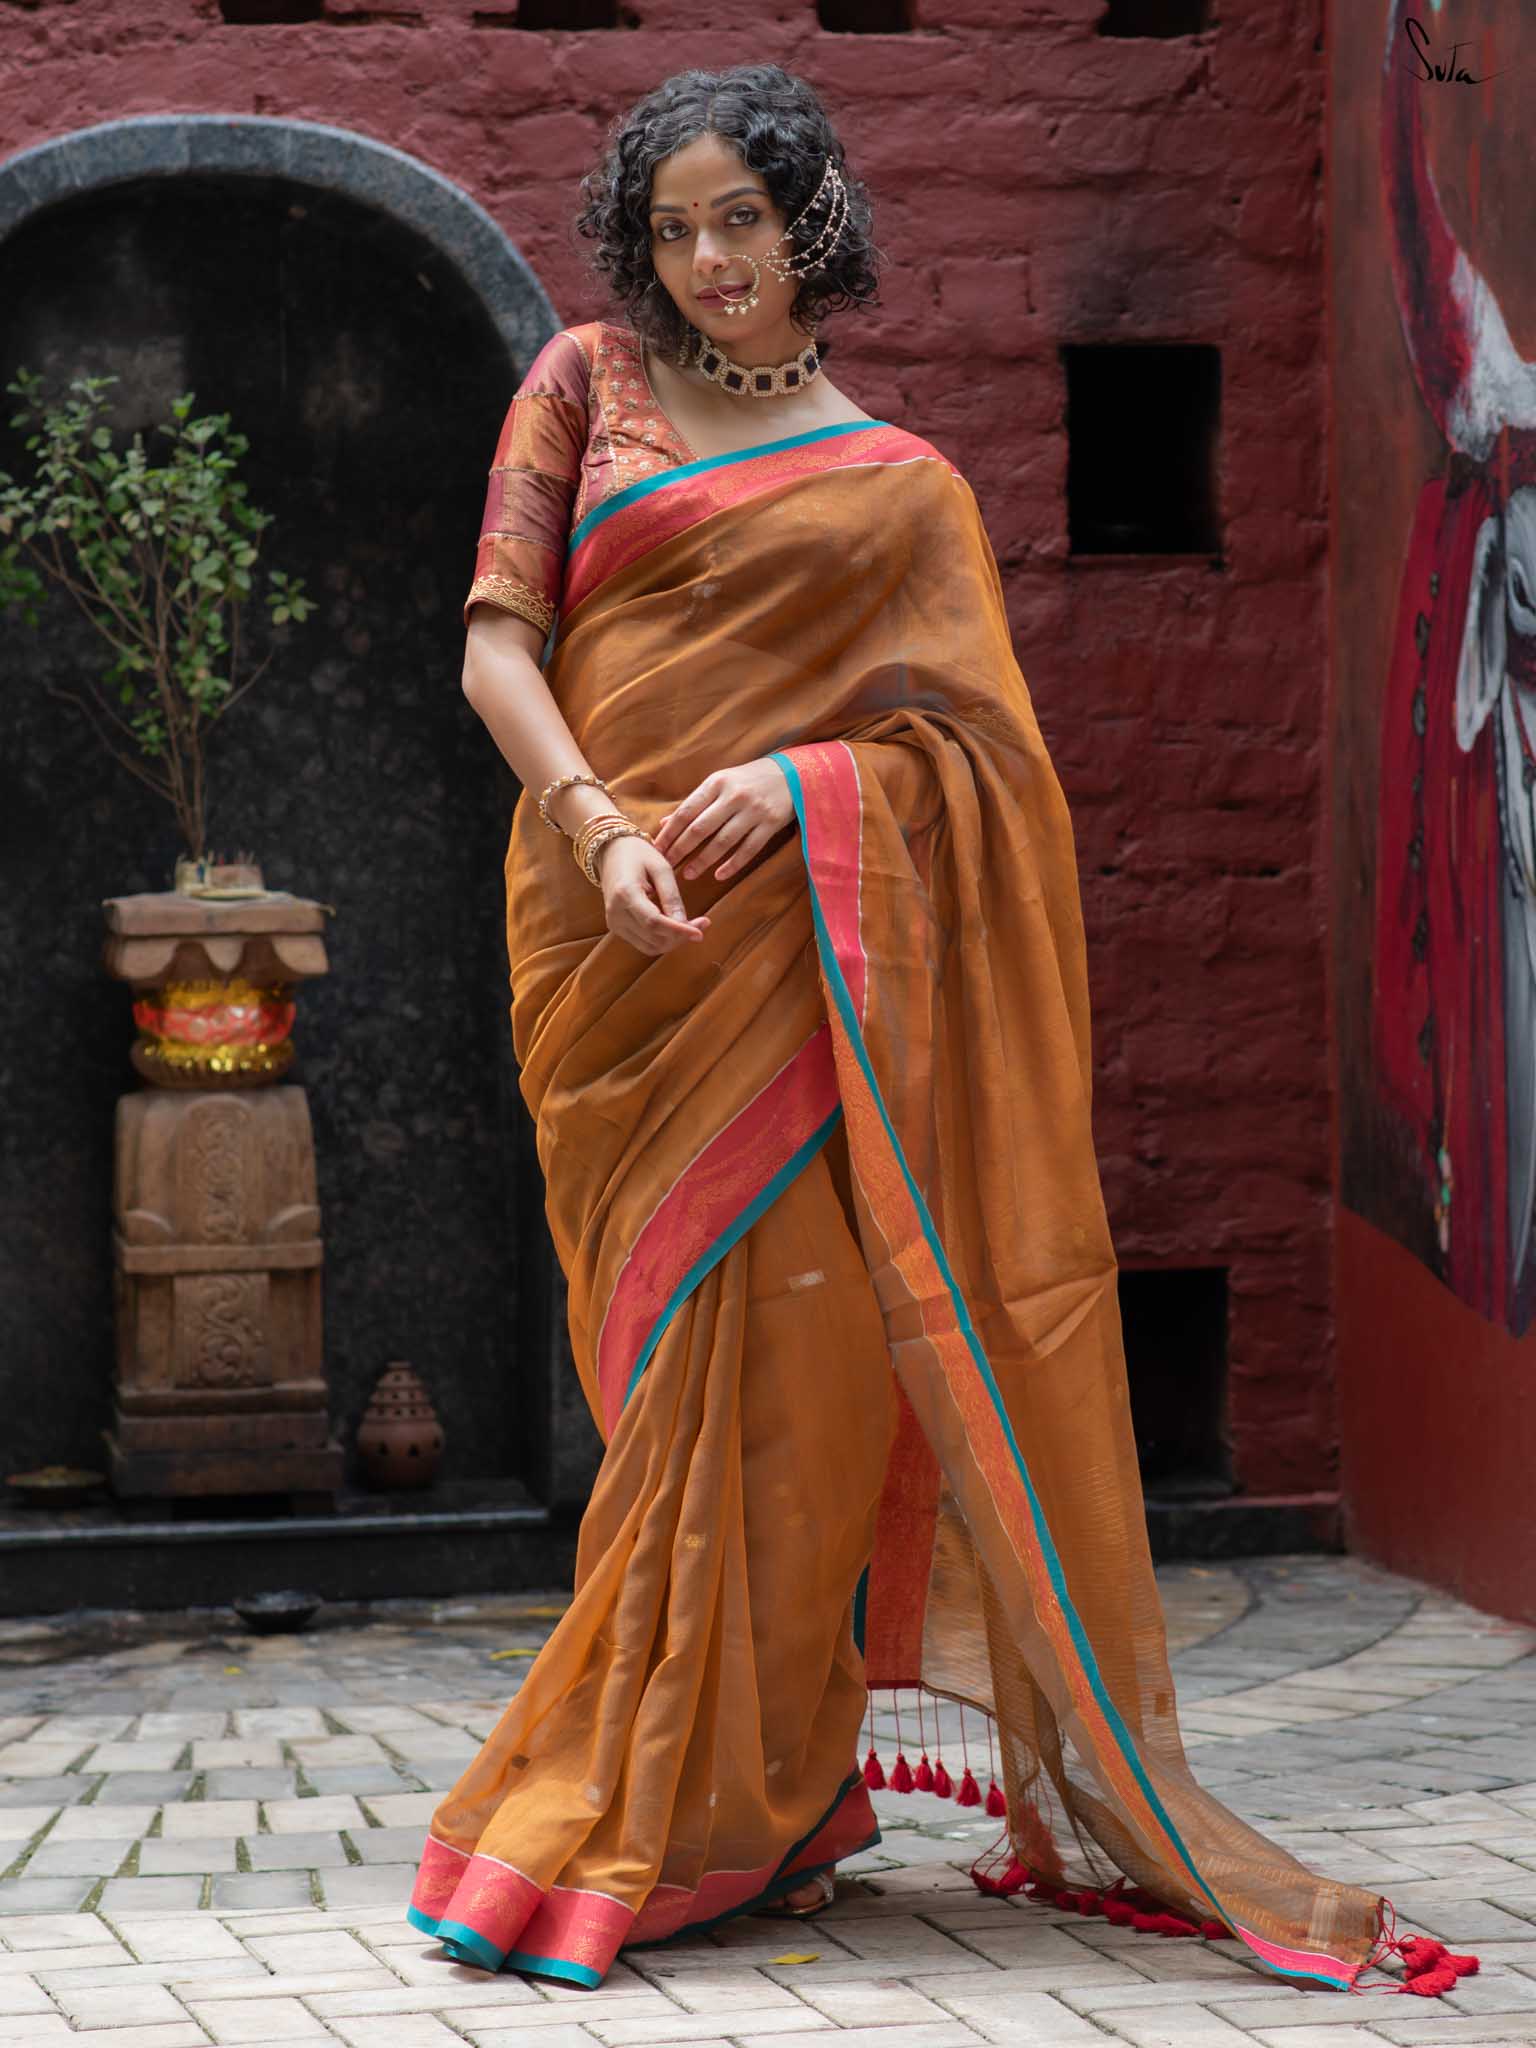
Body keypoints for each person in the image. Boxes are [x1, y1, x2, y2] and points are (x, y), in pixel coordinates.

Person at [406, 61, 1412, 1998]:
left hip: (795, 974)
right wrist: (598, 826)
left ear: (813, 226)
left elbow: (986, 771)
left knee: (790, 1396)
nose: (708, 262)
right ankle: (717, 1793)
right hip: (610, 948)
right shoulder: (586, 387)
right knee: (663, 1391)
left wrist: (807, 789)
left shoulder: (902, 488)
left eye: (743, 221)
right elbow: (496, 644)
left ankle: (741, 1807)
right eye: (673, 229)